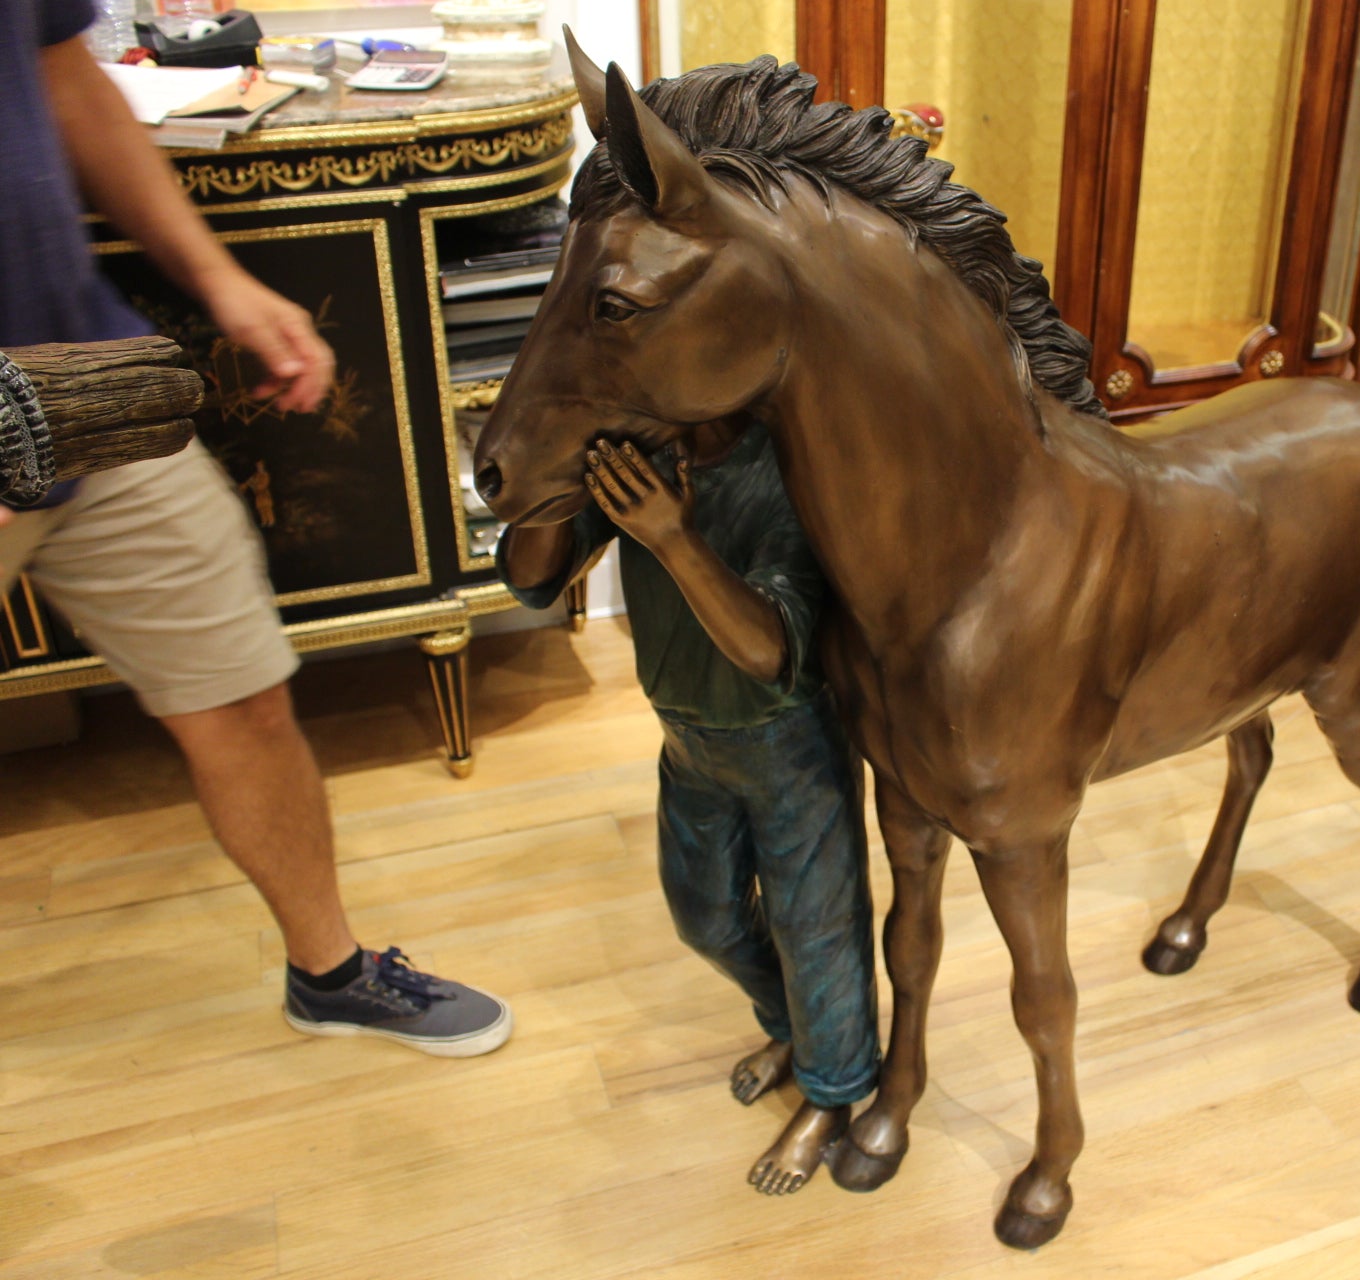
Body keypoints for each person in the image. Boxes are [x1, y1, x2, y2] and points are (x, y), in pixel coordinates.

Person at [0, 0, 512, 1056]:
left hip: (82, 382)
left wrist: (219, 279)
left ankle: (329, 973)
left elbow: (66, 79)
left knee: (241, 694)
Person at [499, 422, 877, 1195]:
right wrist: (546, 475)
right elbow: (533, 578)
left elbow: (769, 651)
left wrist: (671, 534)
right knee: (704, 917)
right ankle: (795, 1031)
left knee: (816, 929)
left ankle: (831, 1095)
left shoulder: (789, 462)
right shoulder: (645, 452)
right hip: (687, 736)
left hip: (790, 742)